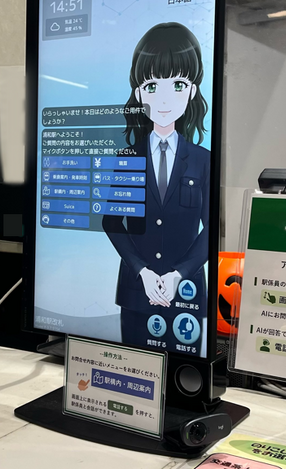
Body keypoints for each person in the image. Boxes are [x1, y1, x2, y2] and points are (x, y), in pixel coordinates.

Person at [103, 22, 210, 355]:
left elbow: (211, 228)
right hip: (137, 292)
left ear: (192, 90)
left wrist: (179, 274)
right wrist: (143, 272)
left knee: (182, 376)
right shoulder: (127, 158)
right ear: (138, 94)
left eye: (177, 84)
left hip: (186, 293)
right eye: (152, 86)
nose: (164, 99)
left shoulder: (203, 160)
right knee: (134, 369)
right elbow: (112, 222)